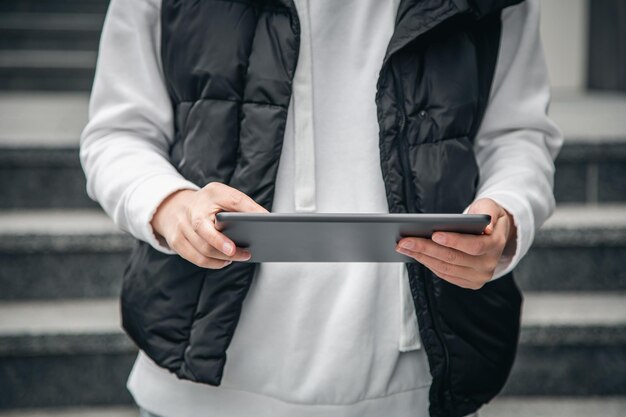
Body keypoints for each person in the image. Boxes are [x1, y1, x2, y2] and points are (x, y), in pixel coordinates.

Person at [79, 0, 562, 416]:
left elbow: (517, 134)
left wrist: (507, 213)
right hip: (201, 383)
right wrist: (171, 206)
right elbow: (119, 132)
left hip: (415, 384)